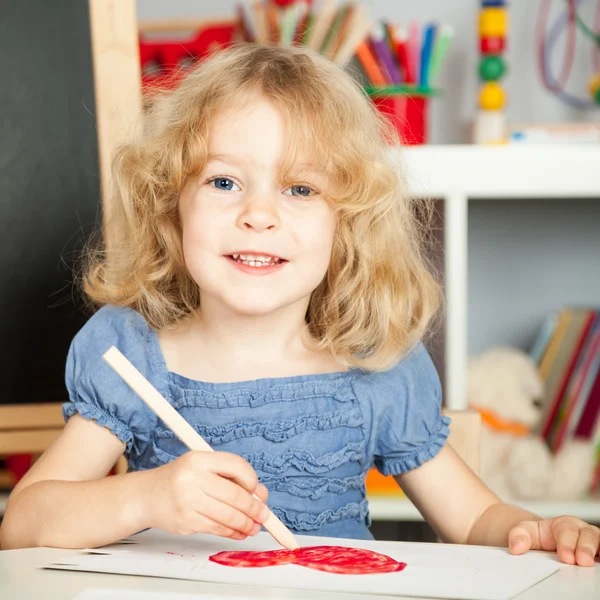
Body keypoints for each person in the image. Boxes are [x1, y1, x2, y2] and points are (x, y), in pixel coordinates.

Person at [1, 44, 598, 566]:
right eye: (224, 182)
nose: (258, 215)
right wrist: (146, 497)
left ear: (347, 228)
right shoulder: (133, 358)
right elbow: (22, 526)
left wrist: (534, 529)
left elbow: (473, 522)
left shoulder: (375, 371)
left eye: (301, 189)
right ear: (170, 207)